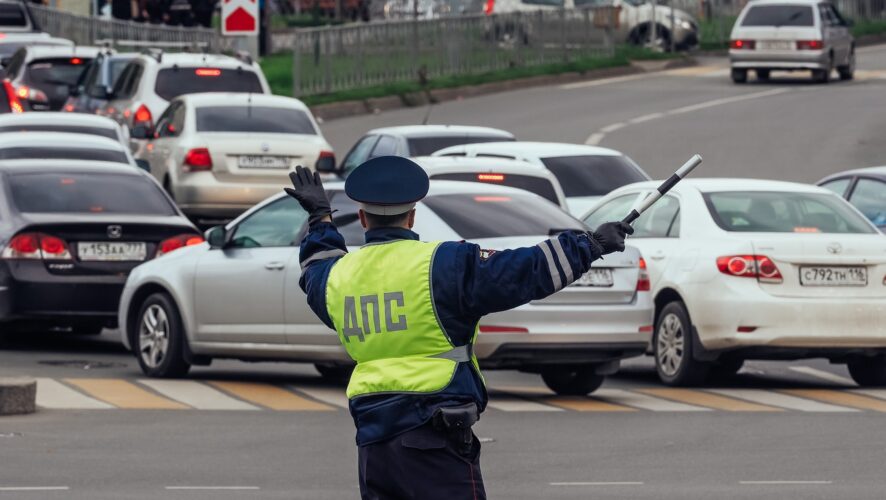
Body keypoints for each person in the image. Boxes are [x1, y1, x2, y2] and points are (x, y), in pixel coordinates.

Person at [288, 156, 632, 500]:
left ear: (362, 218)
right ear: (412, 215)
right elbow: (523, 271)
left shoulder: (339, 278)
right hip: (433, 434)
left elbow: (316, 267)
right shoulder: (444, 263)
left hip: (373, 443)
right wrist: (591, 245)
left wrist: (320, 217)